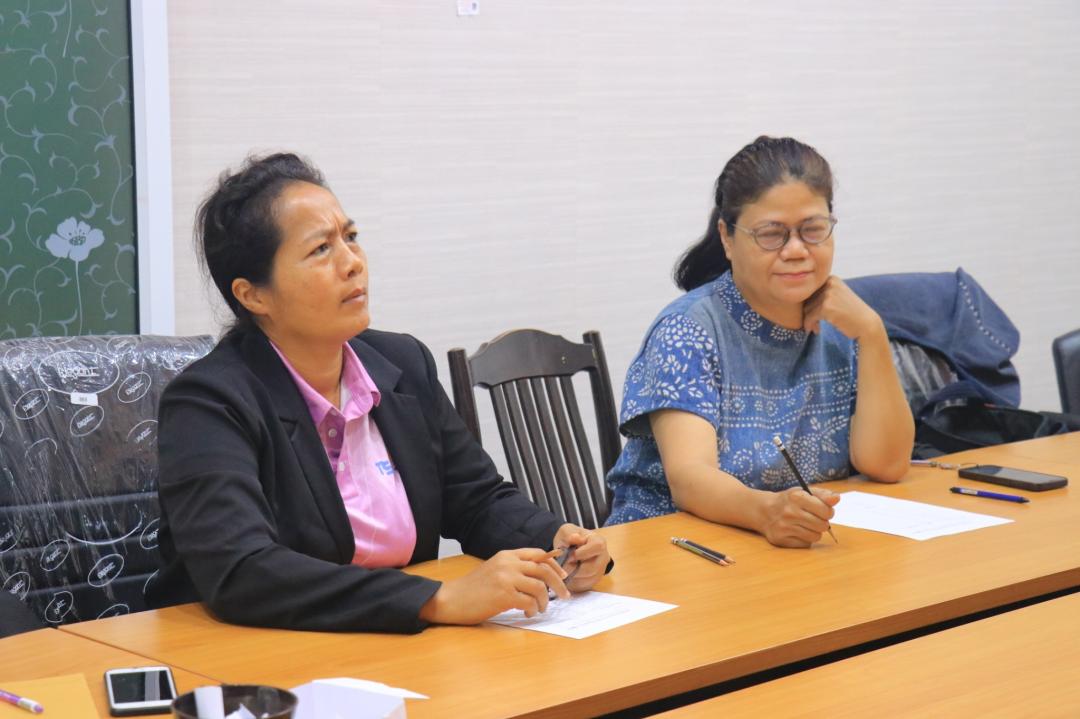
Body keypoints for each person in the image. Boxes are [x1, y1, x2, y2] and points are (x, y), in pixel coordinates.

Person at [146, 153, 609, 633]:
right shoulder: (209, 403)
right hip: (251, 650)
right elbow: (243, 570)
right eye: (320, 249)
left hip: (394, 645)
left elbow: (475, 500)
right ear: (253, 295)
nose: (352, 263)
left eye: (350, 237)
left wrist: (556, 542)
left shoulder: (402, 364)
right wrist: (435, 599)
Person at [605, 136, 914, 547]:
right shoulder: (687, 330)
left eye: (813, 230)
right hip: (676, 545)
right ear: (727, 237)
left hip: (791, 548)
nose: (796, 250)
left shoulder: (846, 322)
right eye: (772, 234)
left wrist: (872, 334)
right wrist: (767, 512)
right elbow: (690, 478)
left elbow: (886, 465)